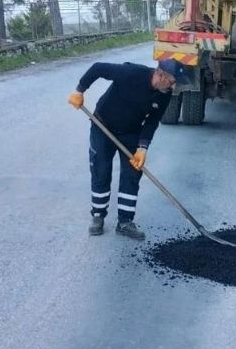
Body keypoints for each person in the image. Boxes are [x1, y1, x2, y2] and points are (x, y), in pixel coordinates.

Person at [68, 58, 188, 240]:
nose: (173, 87)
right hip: (103, 126)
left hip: (131, 132)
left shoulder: (164, 94)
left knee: (132, 174)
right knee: (101, 170)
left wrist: (143, 148)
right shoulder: (131, 73)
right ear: (160, 74)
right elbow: (98, 68)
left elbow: (152, 122)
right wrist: (79, 90)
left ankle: (125, 222)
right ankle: (98, 216)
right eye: (172, 82)